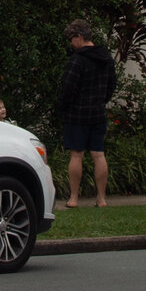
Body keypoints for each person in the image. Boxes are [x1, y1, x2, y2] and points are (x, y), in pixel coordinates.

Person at [54, 18, 116, 208]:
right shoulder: (105, 57)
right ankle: (102, 199)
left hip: (77, 115)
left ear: (79, 37)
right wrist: (100, 101)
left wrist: (64, 106)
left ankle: (73, 198)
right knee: (98, 154)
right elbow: (111, 85)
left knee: (76, 155)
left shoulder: (78, 59)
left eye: (72, 39)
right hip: (98, 112)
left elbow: (68, 87)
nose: (71, 44)